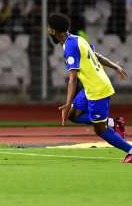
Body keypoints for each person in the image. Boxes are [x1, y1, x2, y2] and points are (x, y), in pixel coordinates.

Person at [48, 13, 132, 164]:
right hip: (90, 88)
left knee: (99, 130)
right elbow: (96, 56)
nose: (48, 30)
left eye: (49, 28)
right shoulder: (77, 39)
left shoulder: (70, 47)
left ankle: (130, 150)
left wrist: (67, 103)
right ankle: (114, 123)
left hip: (97, 91)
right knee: (73, 115)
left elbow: (72, 78)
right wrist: (115, 66)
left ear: (54, 31)